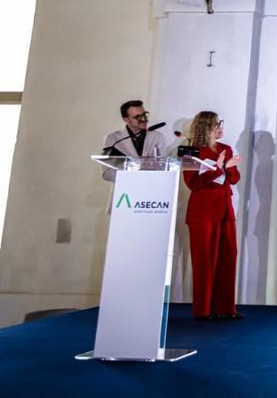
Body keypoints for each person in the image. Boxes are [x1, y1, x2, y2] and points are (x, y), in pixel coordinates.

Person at [183, 110, 243, 320]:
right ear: (208, 127)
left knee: (228, 256)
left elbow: (234, 179)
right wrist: (218, 169)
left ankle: (225, 308)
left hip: (225, 209)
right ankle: (203, 309)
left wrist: (229, 168)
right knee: (204, 260)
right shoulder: (190, 150)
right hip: (203, 210)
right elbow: (192, 183)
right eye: (218, 123)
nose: (222, 127)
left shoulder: (225, 148)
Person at [101, 100, 169, 182]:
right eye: (138, 117)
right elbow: (107, 173)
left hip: (150, 187)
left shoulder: (157, 137)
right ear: (126, 120)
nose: (144, 119)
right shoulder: (113, 139)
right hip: (124, 191)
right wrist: (134, 175)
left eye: (144, 114)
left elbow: (164, 166)